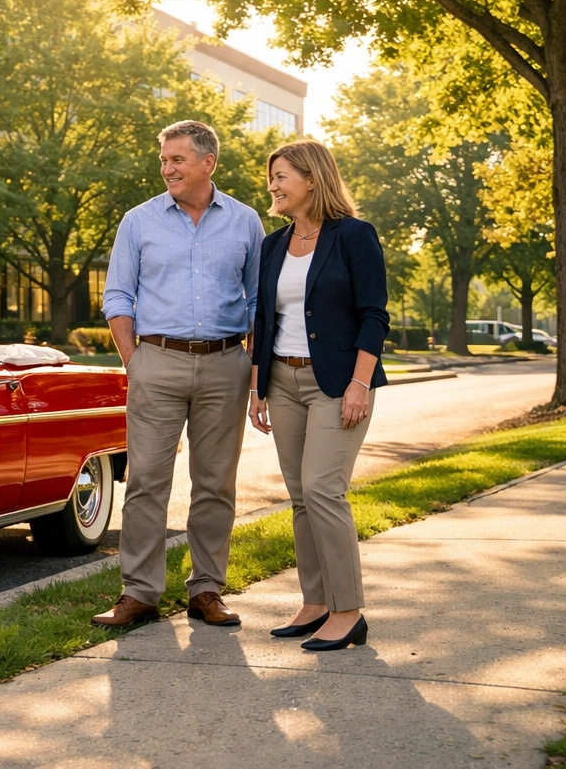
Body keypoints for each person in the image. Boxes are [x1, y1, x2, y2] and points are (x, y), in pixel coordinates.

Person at [93, 120, 264, 629]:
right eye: (164, 160)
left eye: (177, 160)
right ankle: (140, 592)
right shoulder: (139, 221)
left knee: (216, 483)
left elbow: (257, 300)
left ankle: (206, 590)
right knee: (146, 481)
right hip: (157, 361)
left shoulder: (245, 221)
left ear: (207, 163)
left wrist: (254, 369)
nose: (166, 168)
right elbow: (117, 296)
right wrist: (134, 360)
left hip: (225, 362)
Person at [249, 139, 388, 651]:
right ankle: (315, 602)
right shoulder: (272, 245)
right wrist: (258, 385)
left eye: (282, 175)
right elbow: (264, 319)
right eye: (272, 177)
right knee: (302, 497)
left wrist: (359, 383)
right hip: (282, 382)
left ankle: (348, 611)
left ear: (312, 179)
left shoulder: (353, 236)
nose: (273, 185)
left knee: (325, 490)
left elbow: (374, 313)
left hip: (337, 383)